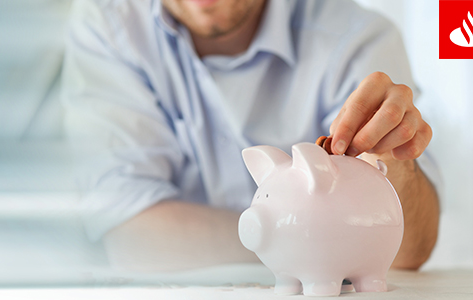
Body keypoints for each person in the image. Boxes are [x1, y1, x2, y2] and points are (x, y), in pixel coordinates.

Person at [61, 0, 440, 272]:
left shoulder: (358, 39)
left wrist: (393, 161)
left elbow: (407, 252)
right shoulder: (109, 26)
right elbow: (135, 240)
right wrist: (306, 236)